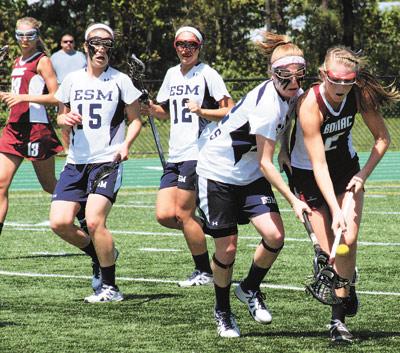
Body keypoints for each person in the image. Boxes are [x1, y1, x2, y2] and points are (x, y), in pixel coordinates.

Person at [196, 32, 311, 338]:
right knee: (228, 248)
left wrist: (286, 150)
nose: (295, 86)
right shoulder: (267, 106)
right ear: (273, 76)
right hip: (218, 173)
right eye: (287, 79)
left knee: (274, 236)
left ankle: (248, 289)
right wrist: (293, 200)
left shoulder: (292, 96)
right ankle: (222, 310)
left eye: (300, 78)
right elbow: (265, 162)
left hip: (249, 174)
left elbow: (281, 133)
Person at [290, 46, 400, 343]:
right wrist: (335, 210)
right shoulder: (310, 105)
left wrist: (362, 175)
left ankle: (339, 315)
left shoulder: (358, 93)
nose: (341, 87)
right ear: (323, 74)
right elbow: (318, 164)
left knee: (347, 241)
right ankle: (342, 299)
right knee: (330, 252)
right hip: (310, 177)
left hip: (346, 171)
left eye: (347, 80)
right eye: (335, 80)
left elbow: (383, 138)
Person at [49, 23, 142, 303]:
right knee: (59, 223)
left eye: (107, 46)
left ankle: (110, 288)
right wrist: (62, 119)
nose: (102, 50)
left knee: (94, 220)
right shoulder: (73, 80)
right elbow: (60, 116)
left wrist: (126, 145)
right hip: (76, 162)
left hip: (107, 160)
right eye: (97, 44)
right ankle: (101, 255)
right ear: (87, 46)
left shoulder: (120, 80)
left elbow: (136, 119)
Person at [143, 25, 234, 287]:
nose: (185, 49)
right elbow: (166, 111)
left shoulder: (208, 74)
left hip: (199, 151)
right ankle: (206, 227)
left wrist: (203, 112)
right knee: (164, 215)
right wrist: (149, 108)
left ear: (199, 48)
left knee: (183, 214)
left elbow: (229, 110)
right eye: (181, 44)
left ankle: (204, 270)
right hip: (176, 152)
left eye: (191, 45)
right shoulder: (172, 74)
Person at [0, 17, 63, 235]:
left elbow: (57, 96)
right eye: (20, 35)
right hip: (14, 128)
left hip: (36, 128)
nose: (25, 39)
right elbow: (17, 95)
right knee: (0, 183)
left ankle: (81, 211)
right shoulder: (17, 61)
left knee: (49, 185)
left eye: (30, 35)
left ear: (37, 36)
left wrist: (22, 98)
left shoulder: (42, 61)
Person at [51, 32, 87, 153]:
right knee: (65, 122)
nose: (68, 44)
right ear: (61, 43)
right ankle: (67, 150)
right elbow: (51, 76)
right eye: (65, 41)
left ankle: (81, 148)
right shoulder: (55, 57)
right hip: (63, 94)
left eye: (71, 41)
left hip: (81, 93)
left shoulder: (81, 56)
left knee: (81, 121)